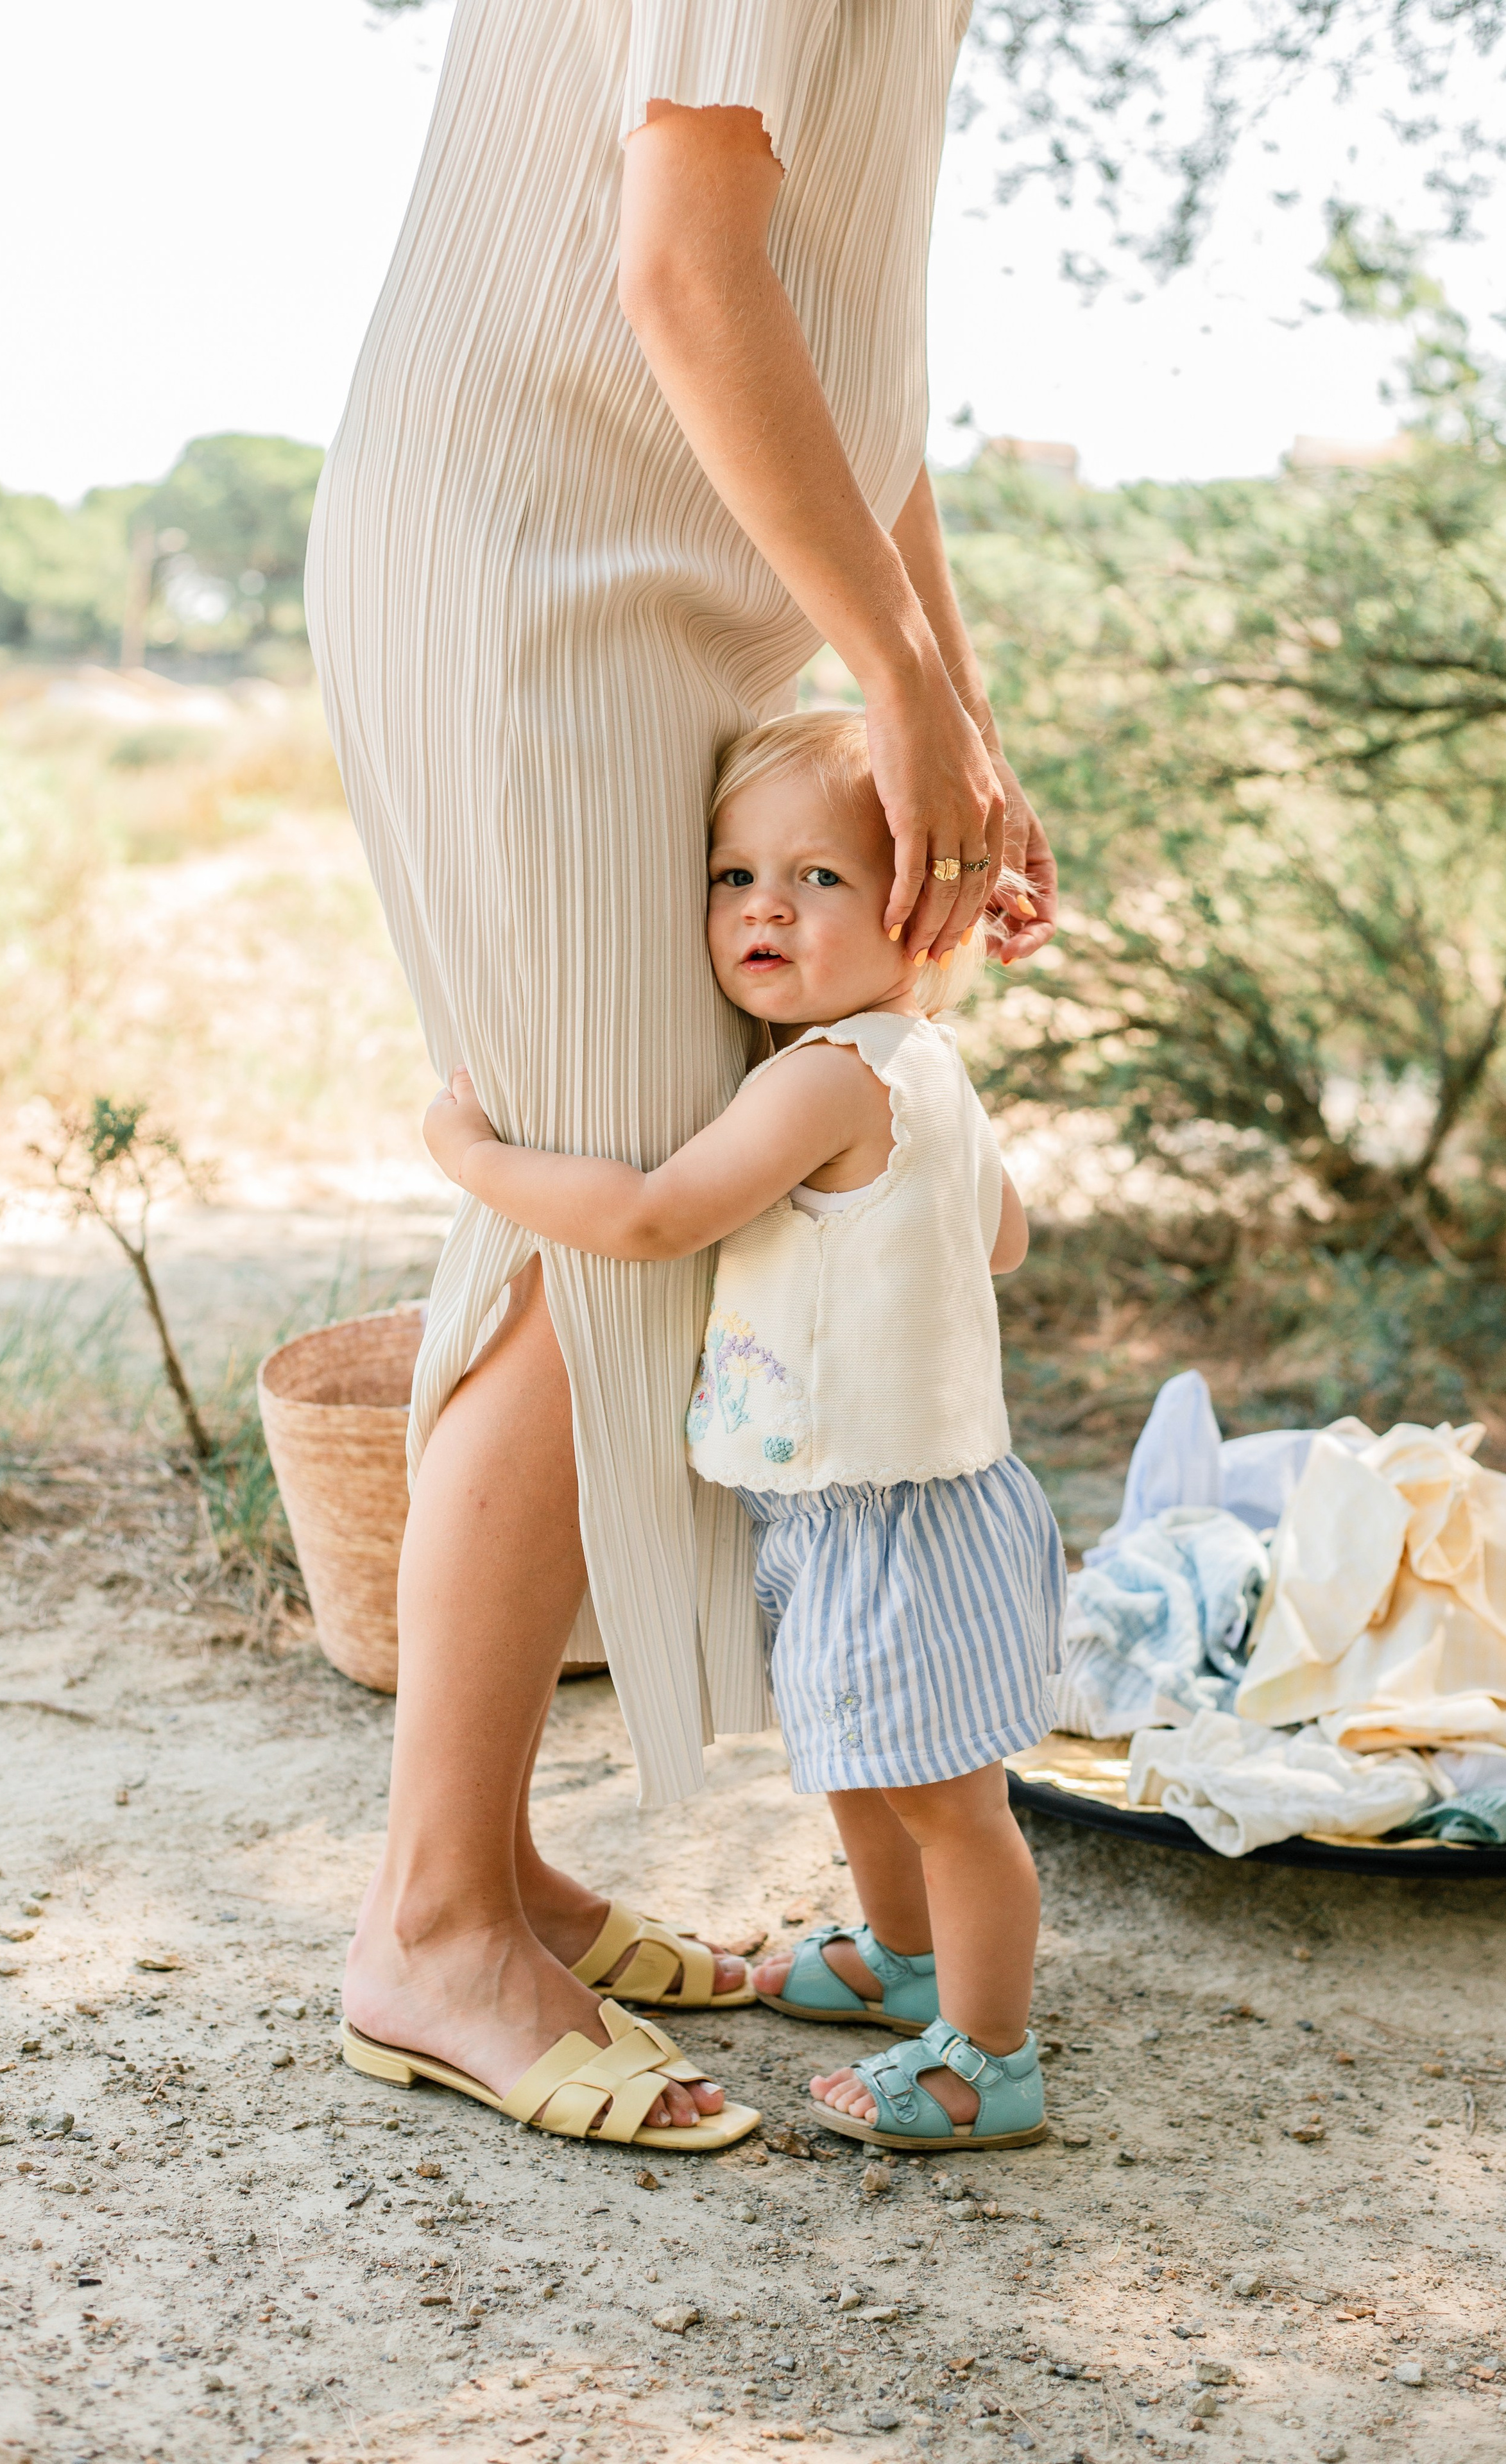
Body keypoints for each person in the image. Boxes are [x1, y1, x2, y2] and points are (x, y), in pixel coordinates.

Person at [307, 0, 1056, 2149]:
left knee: (596, 1228)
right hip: (529, 566)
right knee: (607, 1238)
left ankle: (490, 1869)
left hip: (679, 585)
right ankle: (433, 1929)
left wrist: (949, 708)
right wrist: (896, 682)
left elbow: (848, 355)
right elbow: (680, 269)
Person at [420, 711, 1061, 2152]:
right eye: (733, 876)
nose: (766, 907)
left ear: (918, 912)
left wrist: (475, 1159)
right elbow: (1002, 1238)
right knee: (859, 1758)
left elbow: (653, 1218)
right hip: (859, 1497)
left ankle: (989, 2056)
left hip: (896, 1506)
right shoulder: (917, 1065)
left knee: (947, 1799)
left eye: (821, 878)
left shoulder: (824, 1076)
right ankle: (906, 1962)